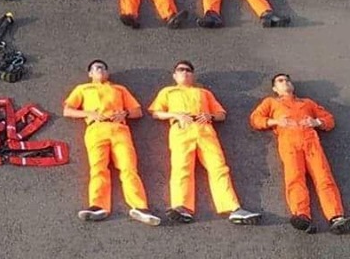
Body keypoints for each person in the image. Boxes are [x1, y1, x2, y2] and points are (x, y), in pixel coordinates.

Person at [148, 61, 261, 225]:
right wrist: (175, 115)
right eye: (180, 70)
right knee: (181, 166)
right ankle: (181, 206)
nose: (184, 72)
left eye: (188, 70)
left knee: (218, 167)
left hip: (205, 129)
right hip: (181, 129)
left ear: (192, 75)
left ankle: (233, 208)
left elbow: (221, 114)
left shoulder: (203, 93)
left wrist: (211, 116)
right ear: (175, 75)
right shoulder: (168, 91)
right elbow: (156, 113)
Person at [63, 60, 161, 226]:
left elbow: (137, 111)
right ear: (90, 74)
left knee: (129, 167)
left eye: (103, 68)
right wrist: (88, 113)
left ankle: (140, 207)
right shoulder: (83, 89)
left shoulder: (119, 89)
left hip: (119, 129)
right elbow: (67, 110)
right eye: (96, 68)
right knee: (98, 167)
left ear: (107, 73)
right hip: (96, 129)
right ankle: (98, 206)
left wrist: (125, 113)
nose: (100, 70)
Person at [249, 73, 350, 235]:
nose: (285, 82)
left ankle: (336, 217)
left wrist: (316, 122)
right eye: (280, 81)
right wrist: (275, 121)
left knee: (323, 177)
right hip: (289, 143)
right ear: (275, 88)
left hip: (311, 142)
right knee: (295, 177)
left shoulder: (307, 103)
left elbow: (329, 119)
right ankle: (302, 215)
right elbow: (255, 119)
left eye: (287, 80)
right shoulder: (271, 102)